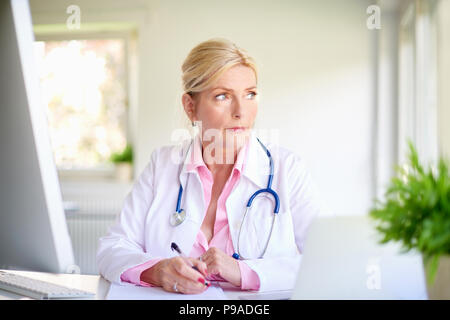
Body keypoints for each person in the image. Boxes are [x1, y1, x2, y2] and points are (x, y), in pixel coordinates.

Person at [97, 38, 323, 294]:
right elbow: (112, 248)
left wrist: (244, 272)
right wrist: (158, 271)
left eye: (250, 94)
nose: (241, 111)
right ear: (191, 107)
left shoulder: (287, 169)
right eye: (223, 96)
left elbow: (327, 260)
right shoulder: (162, 165)